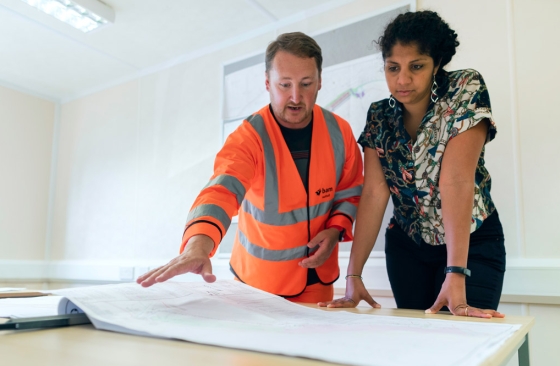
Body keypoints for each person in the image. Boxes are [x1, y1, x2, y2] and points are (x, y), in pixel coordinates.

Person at [137, 32, 364, 303]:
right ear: (267, 83)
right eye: (284, 85)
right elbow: (221, 191)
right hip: (258, 285)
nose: (295, 96)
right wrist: (198, 246)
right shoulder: (248, 138)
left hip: (318, 280)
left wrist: (336, 229)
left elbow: (349, 192)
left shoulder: (340, 132)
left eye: (306, 84)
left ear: (320, 83)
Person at [319, 11, 506, 319]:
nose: (402, 79)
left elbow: (455, 181)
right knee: (417, 351)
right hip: (407, 249)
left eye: (416, 66)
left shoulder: (464, 89)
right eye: (393, 68)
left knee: (462, 343)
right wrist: (353, 276)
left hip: (471, 244)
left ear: (437, 64)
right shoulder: (379, 115)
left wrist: (456, 271)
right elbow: (375, 193)